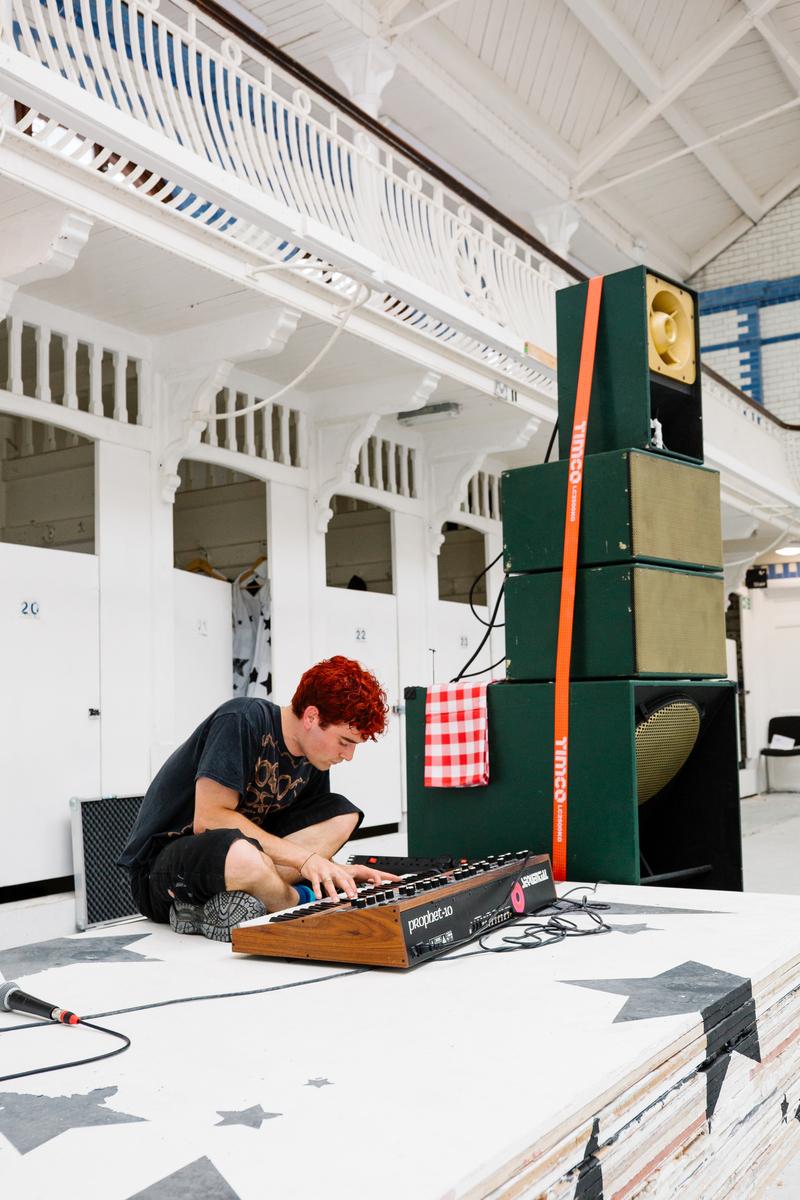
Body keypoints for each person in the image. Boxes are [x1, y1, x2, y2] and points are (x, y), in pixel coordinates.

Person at [119, 656, 399, 941]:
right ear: (311, 717)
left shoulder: (314, 758)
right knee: (243, 855)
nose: (348, 756)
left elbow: (301, 840)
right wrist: (306, 861)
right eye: (344, 742)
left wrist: (334, 870)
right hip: (162, 870)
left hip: (247, 855)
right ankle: (296, 899)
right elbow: (210, 819)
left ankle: (244, 899)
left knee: (343, 815)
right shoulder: (242, 718)